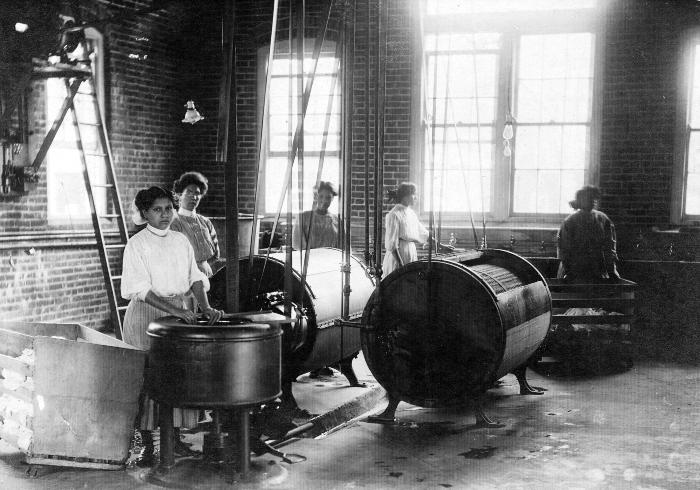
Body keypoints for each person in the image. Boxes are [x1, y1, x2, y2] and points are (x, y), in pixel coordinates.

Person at [121, 186, 223, 466]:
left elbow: (195, 277)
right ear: (144, 213)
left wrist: (205, 308)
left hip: (181, 315)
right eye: (157, 209)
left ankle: (173, 440)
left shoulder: (180, 240)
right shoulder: (137, 244)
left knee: (177, 377)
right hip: (146, 316)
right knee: (147, 379)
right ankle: (147, 445)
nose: (165, 215)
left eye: (168, 208)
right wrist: (176, 309)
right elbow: (140, 288)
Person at [557, 185, 619, 281]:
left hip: (598, 270)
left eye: (594, 197)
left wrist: (612, 270)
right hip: (574, 271)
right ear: (581, 200)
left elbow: (609, 247)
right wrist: (569, 271)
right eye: (589, 197)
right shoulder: (570, 221)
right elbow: (564, 249)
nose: (593, 200)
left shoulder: (603, 219)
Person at [170, 171, 220, 278]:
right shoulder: (174, 223)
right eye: (189, 192)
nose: (194, 197)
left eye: (197, 193)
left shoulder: (206, 222)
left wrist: (203, 268)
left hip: (208, 275)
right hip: (184, 278)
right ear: (179, 195)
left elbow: (216, 255)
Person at [382, 182, 430, 277]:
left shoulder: (411, 213)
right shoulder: (394, 214)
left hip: (410, 252)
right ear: (405, 196)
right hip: (398, 255)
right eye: (414, 194)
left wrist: (441, 246)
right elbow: (391, 244)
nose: (416, 198)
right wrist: (401, 264)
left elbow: (424, 234)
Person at [292, 181, 340, 250]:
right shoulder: (302, 217)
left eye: (328, 197)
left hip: (331, 259)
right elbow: (297, 245)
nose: (324, 200)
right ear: (315, 196)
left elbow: (342, 249)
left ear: (332, 199)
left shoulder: (338, 221)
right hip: (311, 259)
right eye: (321, 196)